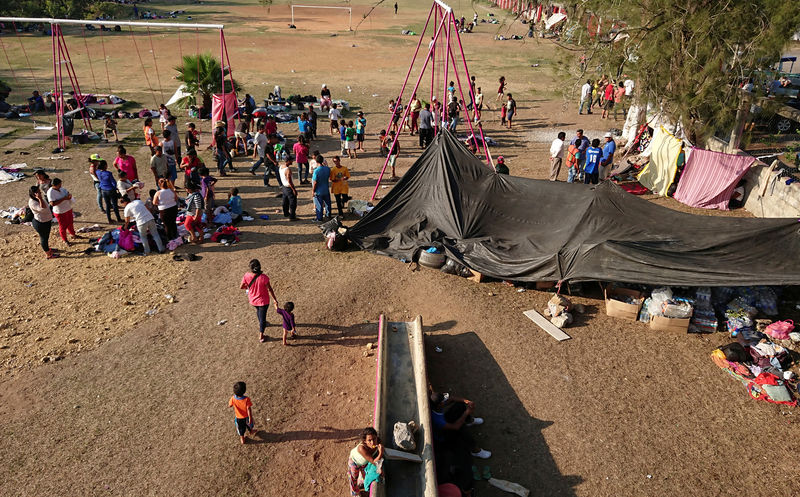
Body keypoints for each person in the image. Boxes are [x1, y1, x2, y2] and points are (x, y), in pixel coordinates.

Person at [430, 391, 490, 459]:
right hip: (443, 436)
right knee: (462, 430)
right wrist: (467, 412)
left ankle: (469, 421)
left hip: (445, 420)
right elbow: (456, 427)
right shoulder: (437, 419)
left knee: (460, 405)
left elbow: (452, 399)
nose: (447, 400)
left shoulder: (435, 403)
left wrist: (466, 401)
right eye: (445, 401)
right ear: (440, 404)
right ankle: (476, 451)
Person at [240, 259, 279, 343]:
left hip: (253, 300)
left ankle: (262, 323)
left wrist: (248, 288)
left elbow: (241, 286)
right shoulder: (264, 278)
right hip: (263, 301)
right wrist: (275, 299)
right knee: (263, 318)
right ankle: (261, 335)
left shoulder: (246, 275)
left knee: (258, 311)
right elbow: (270, 289)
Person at [347, 427, 385, 497]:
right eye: (369, 440)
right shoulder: (361, 448)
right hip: (355, 462)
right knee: (354, 478)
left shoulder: (378, 441)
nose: (372, 442)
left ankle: (363, 483)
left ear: (377, 437)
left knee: (365, 474)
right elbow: (374, 462)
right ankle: (355, 493)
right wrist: (380, 453)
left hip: (364, 462)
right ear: (365, 441)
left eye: (374, 439)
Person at [47, 178, 81, 247]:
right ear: (54, 185)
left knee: (70, 223)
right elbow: (52, 203)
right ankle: (65, 239)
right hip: (60, 212)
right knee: (63, 226)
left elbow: (67, 193)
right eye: (59, 185)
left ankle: (73, 234)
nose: (60, 186)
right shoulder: (50, 192)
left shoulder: (62, 189)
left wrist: (69, 196)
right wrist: (64, 199)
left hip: (68, 208)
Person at [28, 186, 57, 259]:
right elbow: (43, 209)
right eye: (38, 192)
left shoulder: (37, 199)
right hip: (41, 223)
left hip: (45, 221)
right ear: (35, 194)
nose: (40, 193)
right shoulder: (33, 202)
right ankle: (48, 254)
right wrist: (40, 198)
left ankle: (48, 249)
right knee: (44, 238)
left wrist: (40, 198)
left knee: (46, 237)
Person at [311, 154, 332, 221]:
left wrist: (313, 191)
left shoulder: (316, 171)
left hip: (318, 191)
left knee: (319, 205)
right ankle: (328, 215)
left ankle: (319, 218)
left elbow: (315, 182)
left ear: (316, 162)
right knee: (327, 203)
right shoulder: (327, 169)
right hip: (326, 189)